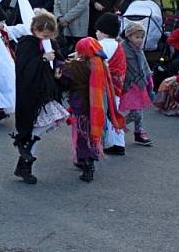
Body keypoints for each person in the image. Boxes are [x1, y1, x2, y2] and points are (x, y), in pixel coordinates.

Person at [11, 9, 68, 185]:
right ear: (34, 30)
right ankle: (25, 159)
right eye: (42, 34)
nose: (45, 37)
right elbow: (23, 68)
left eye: (49, 35)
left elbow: (59, 59)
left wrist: (58, 66)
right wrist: (42, 59)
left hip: (47, 91)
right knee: (37, 124)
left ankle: (25, 156)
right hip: (31, 92)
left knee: (50, 120)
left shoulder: (52, 43)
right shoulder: (27, 43)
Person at [58, 37, 124, 182]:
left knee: (82, 136)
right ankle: (87, 160)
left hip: (80, 106)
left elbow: (65, 80)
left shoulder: (75, 67)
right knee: (92, 136)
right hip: (96, 107)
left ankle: (86, 163)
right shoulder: (100, 64)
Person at [94, 12, 127, 156]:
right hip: (117, 85)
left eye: (97, 30)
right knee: (115, 112)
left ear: (103, 31)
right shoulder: (118, 45)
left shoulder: (101, 45)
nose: (96, 33)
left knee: (106, 113)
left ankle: (106, 142)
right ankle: (118, 142)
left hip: (105, 86)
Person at [120, 23, 153, 146]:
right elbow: (121, 66)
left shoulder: (139, 50)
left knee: (139, 110)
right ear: (129, 36)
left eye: (141, 37)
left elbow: (144, 65)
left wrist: (149, 78)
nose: (139, 40)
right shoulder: (123, 48)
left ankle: (138, 132)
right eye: (136, 37)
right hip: (129, 84)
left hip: (140, 84)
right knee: (137, 112)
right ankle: (117, 125)